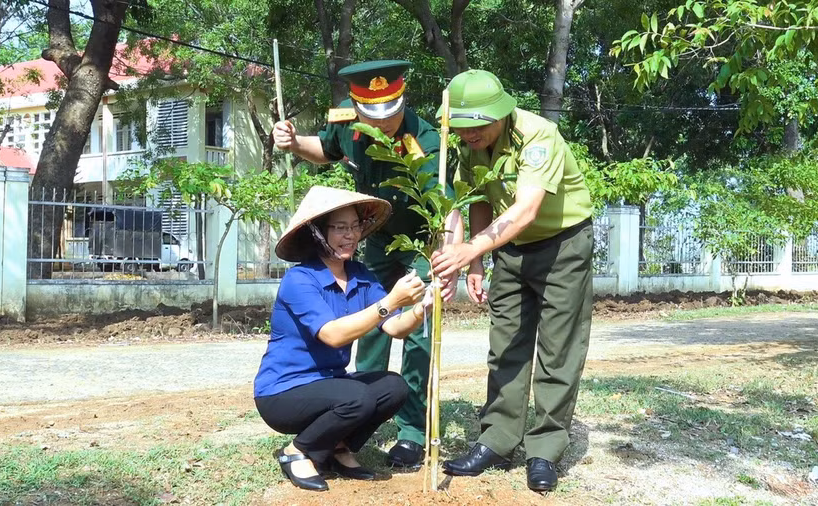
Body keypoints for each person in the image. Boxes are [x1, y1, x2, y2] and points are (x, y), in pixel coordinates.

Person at [272, 59, 460, 471]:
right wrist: (291, 141)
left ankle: (411, 432)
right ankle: (355, 423)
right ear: (356, 106)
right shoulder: (347, 121)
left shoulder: (425, 139)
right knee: (368, 331)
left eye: (392, 111)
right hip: (374, 243)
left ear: (401, 99)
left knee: (418, 336)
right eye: (373, 113)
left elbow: (448, 210)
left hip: (418, 247)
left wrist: (451, 260)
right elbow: (324, 150)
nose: (385, 121)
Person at [430, 69, 594, 492]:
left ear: (501, 114)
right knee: (505, 346)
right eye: (462, 127)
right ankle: (497, 440)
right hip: (509, 250)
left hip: (562, 244)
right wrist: (476, 265)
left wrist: (469, 250)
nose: (470, 134)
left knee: (558, 349)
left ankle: (545, 449)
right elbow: (482, 200)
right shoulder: (471, 146)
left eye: (478, 125)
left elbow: (525, 211)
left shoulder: (539, 136)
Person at [253, 186, 433, 492]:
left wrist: (420, 308)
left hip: (330, 384)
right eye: (339, 228)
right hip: (283, 392)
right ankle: (297, 451)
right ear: (318, 233)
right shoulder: (300, 279)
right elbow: (334, 335)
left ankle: (337, 446)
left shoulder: (361, 274)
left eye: (354, 227)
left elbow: (395, 328)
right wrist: (390, 301)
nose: (349, 235)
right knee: (357, 398)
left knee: (393, 387)